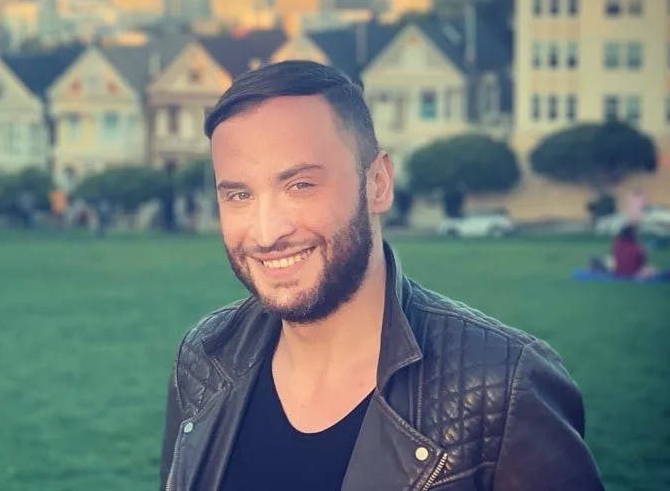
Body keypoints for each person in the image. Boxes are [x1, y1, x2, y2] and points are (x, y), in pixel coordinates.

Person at [160, 61, 602, 490]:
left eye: (300, 186)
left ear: (378, 183)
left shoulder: (503, 387)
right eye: (239, 194)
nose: (267, 231)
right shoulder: (206, 355)